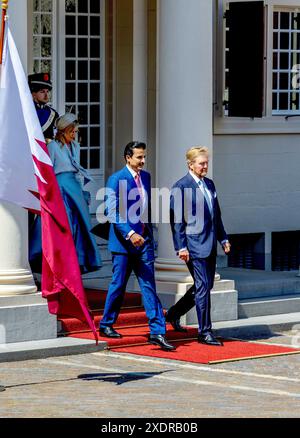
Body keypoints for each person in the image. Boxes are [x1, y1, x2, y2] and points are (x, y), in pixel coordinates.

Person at [99, 141, 175, 351]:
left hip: (144, 241)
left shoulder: (147, 177)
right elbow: (111, 211)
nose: (142, 161)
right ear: (128, 157)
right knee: (119, 285)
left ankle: (157, 332)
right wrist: (130, 233)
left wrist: (146, 232)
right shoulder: (116, 179)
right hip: (123, 243)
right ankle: (106, 324)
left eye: (144, 157)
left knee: (149, 285)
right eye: (139, 157)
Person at [168, 146, 231, 346]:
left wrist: (223, 238)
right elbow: (177, 220)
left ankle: (173, 314)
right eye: (201, 163)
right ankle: (205, 332)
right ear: (191, 164)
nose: (205, 166)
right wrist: (181, 247)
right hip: (193, 245)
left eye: (206, 163)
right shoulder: (181, 186)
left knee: (205, 285)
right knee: (203, 286)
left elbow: (216, 215)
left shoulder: (210, 185)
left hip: (210, 243)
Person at [29, 113, 102, 274]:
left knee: (81, 225)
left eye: (75, 132)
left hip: (74, 188)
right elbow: (47, 172)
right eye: (72, 131)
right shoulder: (53, 147)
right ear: (63, 131)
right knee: (64, 225)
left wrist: (82, 192)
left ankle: (79, 261)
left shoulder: (76, 146)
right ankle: (59, 262)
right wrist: (49, 194)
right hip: (60, 189)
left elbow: (76, 170)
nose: (74, 135)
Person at [28, 72, 59, 143]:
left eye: (47, 91)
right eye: (42, 92)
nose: (46, 95)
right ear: (33, 94)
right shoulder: (27, 112)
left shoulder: (53, 114)